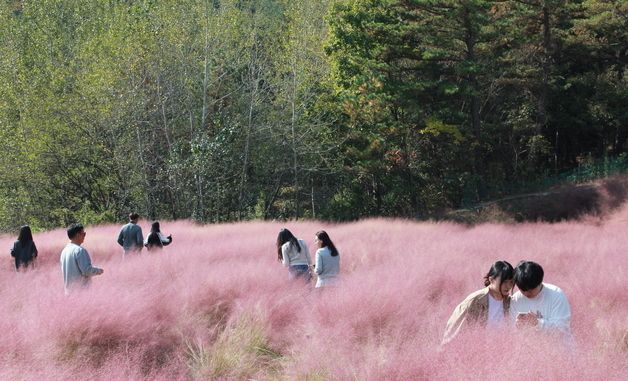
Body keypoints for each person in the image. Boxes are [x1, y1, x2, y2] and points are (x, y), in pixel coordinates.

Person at [442, 261, 514, 345]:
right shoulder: (475, 300)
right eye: (504, 282)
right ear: (491, 279)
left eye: (511, 282)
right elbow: (456, 331)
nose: (508, 286)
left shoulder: (510, 302)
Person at [510, 261, 572, 339]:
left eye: (530, 290)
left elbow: (561, 330)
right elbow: (511, 332)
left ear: (540, 282)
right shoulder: (516, 300)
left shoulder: (556, 295)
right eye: (523, 290)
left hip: (560, 349)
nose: (526, 293)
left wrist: (537, 323)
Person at [60, 223, 104, 294]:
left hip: (68, 292)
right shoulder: (80, 250)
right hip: (81, 292)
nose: (84, 236)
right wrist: (99, 271)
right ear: (78, 235)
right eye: (83, 234)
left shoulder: (64, 251)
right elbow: (86, 271)